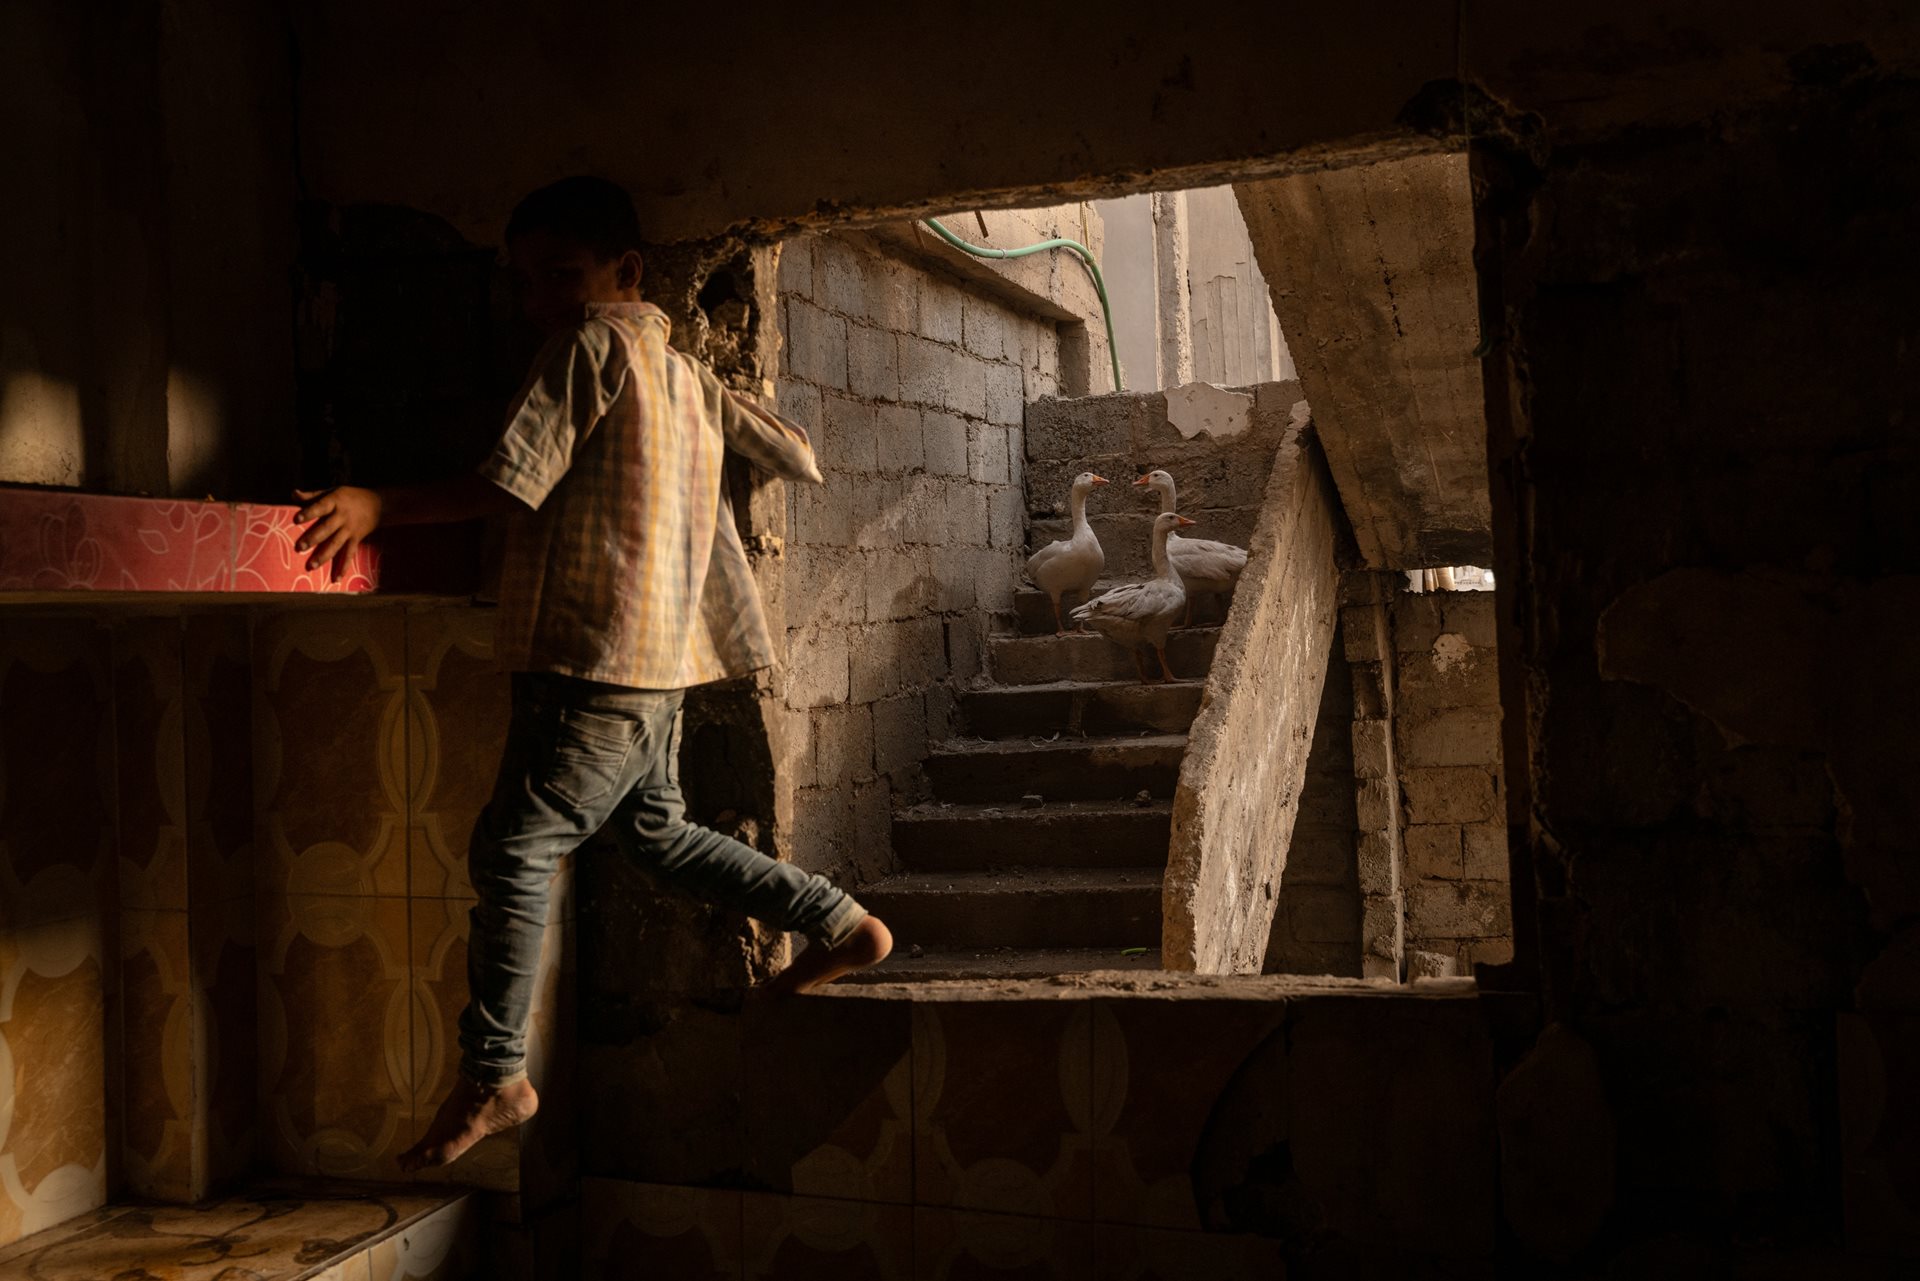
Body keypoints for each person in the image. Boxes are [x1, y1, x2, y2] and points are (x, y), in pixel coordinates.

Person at [291, 176, 892, 1172]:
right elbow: (793, 451)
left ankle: (494, 1073)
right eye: (525, 285)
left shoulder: (589, 346)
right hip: (655, 670)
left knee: (516, 852)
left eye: (560, 277)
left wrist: (376, 505)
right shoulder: (686, 376)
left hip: (585, 665)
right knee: (657, 835)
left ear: (627, 273)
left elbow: (507, 483)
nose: (540, 303)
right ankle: (839, 921)